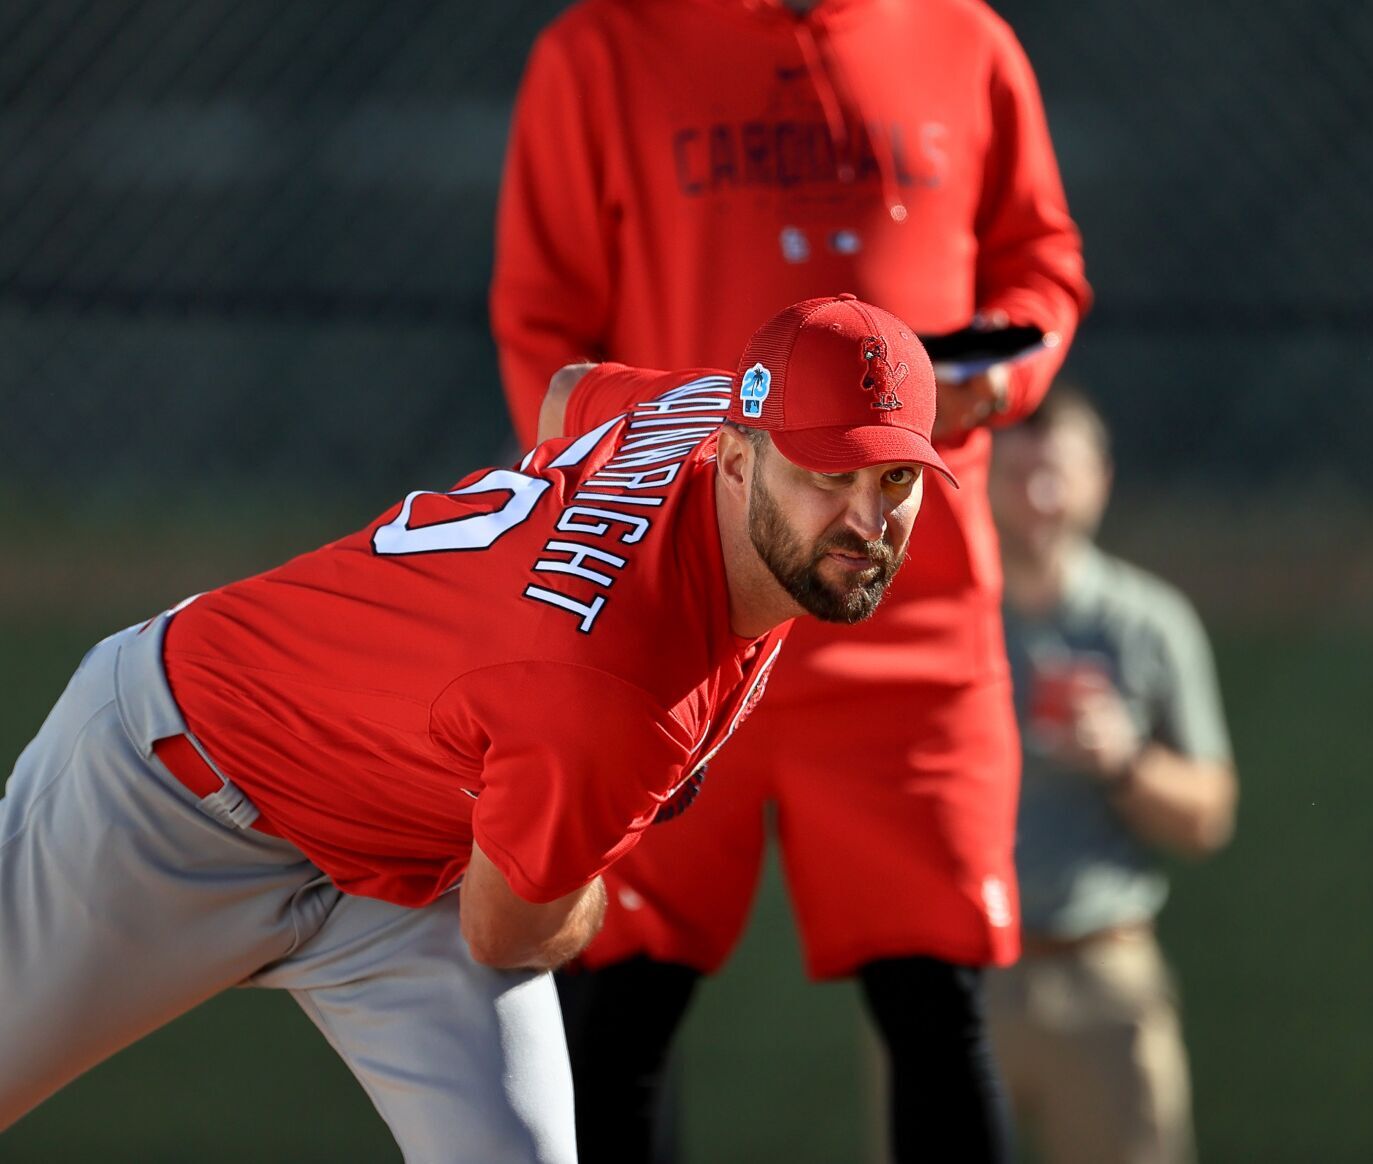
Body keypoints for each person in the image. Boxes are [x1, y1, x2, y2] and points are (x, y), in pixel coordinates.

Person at [0, 295, 949, 1162]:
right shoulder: (615, 695)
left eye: (896, 474)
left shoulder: (696, 413)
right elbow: (506, 931)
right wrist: (587, 881)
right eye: (830, 472)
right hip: (173, 787)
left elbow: (573, 394)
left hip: (418, 851)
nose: (869, 518)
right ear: (737, 457)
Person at [490, 1, 1089, 1159]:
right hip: (677, 603)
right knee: (618, 1001)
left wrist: (997, 372)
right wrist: (629, 491)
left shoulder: (963, 39)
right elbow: (542, 326)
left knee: (937, 1000)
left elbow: (1040, 263)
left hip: (902, 600)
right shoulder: (605, 45)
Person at [984, 385, 1237, 1164]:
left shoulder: (1149, 623)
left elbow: (1209, 816)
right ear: (981, 477)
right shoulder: (940, 615)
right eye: (1018, 471)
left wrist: (1124, 760)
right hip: (958, 977)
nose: (1039, 495)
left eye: (1057, 472)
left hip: (1104, 972)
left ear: (1102, 480)